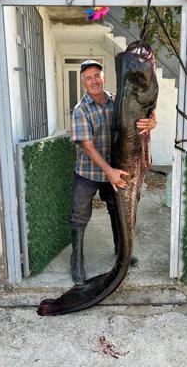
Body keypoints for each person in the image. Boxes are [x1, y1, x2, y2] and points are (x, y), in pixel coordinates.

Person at [69, 59, 157, 285]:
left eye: (96, 75)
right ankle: (76, 260)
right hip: (89, 171)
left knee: (116, 210)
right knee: (79, 216)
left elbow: (141, 113)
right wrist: (108, 171)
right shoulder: (80, 110)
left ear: (103, 77)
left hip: (115, 169)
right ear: (83, 83)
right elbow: (87, 145)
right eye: (88, 78)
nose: (94, 81)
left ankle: (121, 249)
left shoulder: (117, 101)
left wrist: (152, 121)